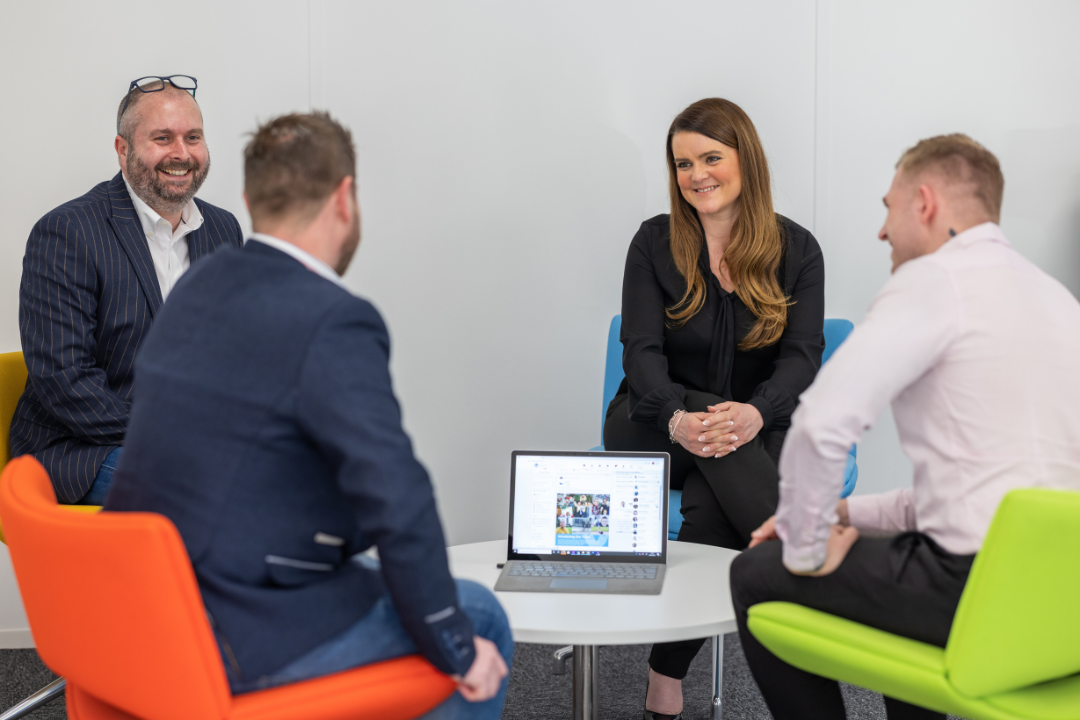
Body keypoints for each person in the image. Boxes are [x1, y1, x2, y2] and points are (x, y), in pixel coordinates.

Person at [104, 112, 512, 717]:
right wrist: (455, 648)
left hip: (137, 615)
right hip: (227, 636)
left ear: (249, 198)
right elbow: (399, 500)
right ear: (344, 197)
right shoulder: (333, 317)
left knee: (371, 566)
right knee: (477, 613)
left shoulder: (199, 284)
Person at [731, 134, 1080, 720]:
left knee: (756, 571)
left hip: (971, 589)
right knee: (900, 561)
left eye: (887, 207)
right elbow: (982, 494)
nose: (882, 231)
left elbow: (820, 426)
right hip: (1060, 598)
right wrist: (843, 515)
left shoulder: (935, 280)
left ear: (924, 202)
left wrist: (807, 544)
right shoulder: (1057, 301)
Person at [601, 97, 824, 718]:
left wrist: (753, 414)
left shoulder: (797, 250)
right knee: (719, 443)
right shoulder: (653, 242)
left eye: (710, 157)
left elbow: (803, 357)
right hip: (650, 424)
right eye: (682, 163)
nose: (696, 174)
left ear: (744, 160)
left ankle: (663, 681)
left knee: (713, 506)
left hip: (754, 427)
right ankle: (810, 583)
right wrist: (679, 419)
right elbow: (640, 352)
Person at [10, 75, 242, 505]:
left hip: (191, 444)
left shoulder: (223, 229)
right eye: (162, 137)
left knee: (296, 479)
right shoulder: (67, 232)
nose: (182, 153)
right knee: (211, 494)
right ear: (123, 150)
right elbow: (65, 380)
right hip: (79, 450)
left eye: (193, 137)